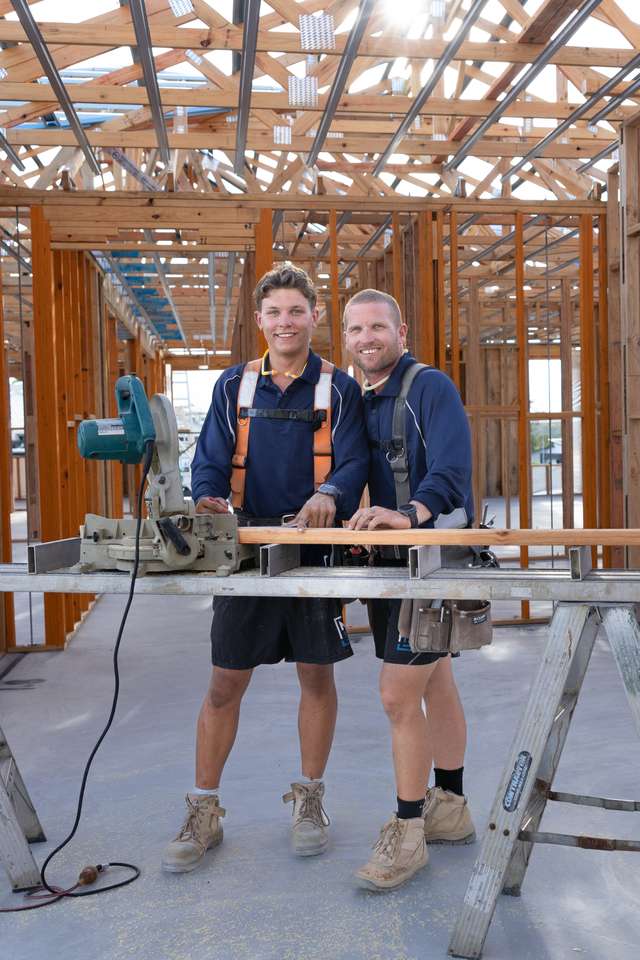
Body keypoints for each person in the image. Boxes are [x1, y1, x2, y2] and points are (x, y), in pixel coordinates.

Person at [162, 265, 368, 873]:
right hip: (247, 548)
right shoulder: (234, 385)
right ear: (260, 321)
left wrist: (331, 491)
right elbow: (209, 459)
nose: (286, 323)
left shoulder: (339, 389)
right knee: (225, 682)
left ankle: (310, 799)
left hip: (314, 547)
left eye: (296, 311)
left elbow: (353, 461)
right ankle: (203, 808)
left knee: (316, 676)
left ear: (314, 317)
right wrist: (207, 497)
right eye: (275, 313)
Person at [344, 288, 475, 891]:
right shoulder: (360, 399)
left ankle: (409, 830)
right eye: (356, 329)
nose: (366, 338)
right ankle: (451, 804)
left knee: (398, 694)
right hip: (392, 563)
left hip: (433, 560)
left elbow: (452, 469)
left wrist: (410, 513)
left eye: (378, 327)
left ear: (401, 332)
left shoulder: (430, 388)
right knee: (435, 678)